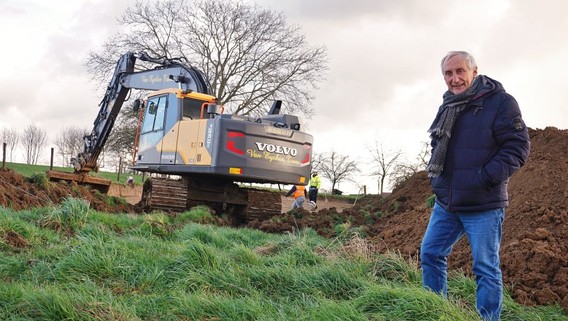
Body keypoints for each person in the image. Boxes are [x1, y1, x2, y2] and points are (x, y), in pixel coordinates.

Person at [420, 51, 530, 321]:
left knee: (485, 267)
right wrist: (438, 181)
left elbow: (518, 147)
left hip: (483, 203)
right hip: (448, 202)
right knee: (431, 253)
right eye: (448, 73)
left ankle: (488, 318)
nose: (455, 78)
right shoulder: (448, 105)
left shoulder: (501, 102)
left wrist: (484, 178)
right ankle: (438, 312)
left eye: (460, 71)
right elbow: (437, 146)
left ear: (474, 72)